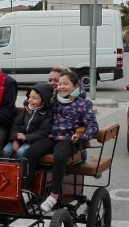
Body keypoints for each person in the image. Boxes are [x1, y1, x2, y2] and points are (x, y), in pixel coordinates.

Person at [20, 72, 98, 213]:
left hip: (69, 140)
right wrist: (28, 103)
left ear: (75, 86)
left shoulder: (83, 104)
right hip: (51, 137)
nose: (61, 87)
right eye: (60, 84)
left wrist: (80, 137)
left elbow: (93, 127)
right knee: (30, 153)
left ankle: (54, 195)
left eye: (65, 84)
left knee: (59, 155)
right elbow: (38, 104)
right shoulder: (54, 101)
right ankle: (25, 191)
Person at [2, 83, 53, 160]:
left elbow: (44, 132)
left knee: (21, 152)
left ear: (43, 100)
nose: (30, 100)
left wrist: (26, 137)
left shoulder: (46, 114)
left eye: (35, 98)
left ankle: (22, 171)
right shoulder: (27, 110)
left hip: (33, 141)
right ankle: (4, 170)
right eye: (29, 97)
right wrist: (15, 139)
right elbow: (16, 123)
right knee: (5, 150)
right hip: (19, 139)